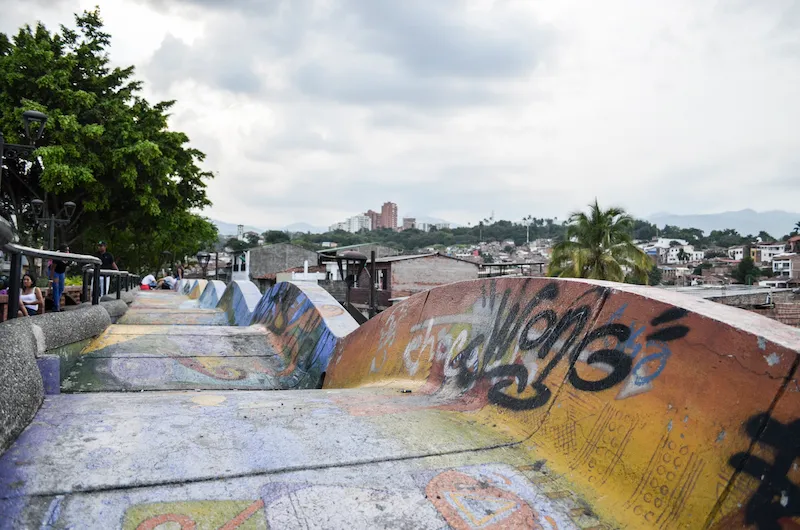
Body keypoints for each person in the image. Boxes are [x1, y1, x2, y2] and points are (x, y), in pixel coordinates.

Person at [49, 243, 70, 312]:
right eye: (66, 250)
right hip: (55, 271)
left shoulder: (69, 256)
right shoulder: (57, 256)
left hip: (61, 272)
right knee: (56, 287)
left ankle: (56, 303)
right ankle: (56, 306)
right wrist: (51, 277)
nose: (67, 252)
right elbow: (53, 267)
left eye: (68, 250)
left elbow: (67, 265)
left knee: (61, 288)